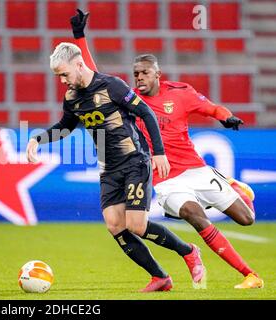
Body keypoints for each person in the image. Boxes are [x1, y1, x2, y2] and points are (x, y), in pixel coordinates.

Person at [69, 9, 263, 289]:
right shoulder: (129, 99)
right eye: (135, 74)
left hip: (196, 168)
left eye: (145, 73)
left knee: (247, 219)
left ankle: (235, 186)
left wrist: (225, 116)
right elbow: (92, 73)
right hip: (166, 178)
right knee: (194, 215)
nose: (139, 78)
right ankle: (250, 275)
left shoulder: (180, 93)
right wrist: (79, 37)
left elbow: (211, 108)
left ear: (158, 74)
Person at [26, 42, 205, 292]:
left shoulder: (112, 86)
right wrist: (37, 139)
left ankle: (189, 251)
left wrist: (159, 153)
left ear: (79, 65)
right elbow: (65, 127)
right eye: (59, 76)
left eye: (64, 74)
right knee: (114, 224)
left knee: (136, 225)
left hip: (135, 161)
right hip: (109, 168)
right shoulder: (72, 98)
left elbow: (147, 114)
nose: (63, 81)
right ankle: (160, 277)